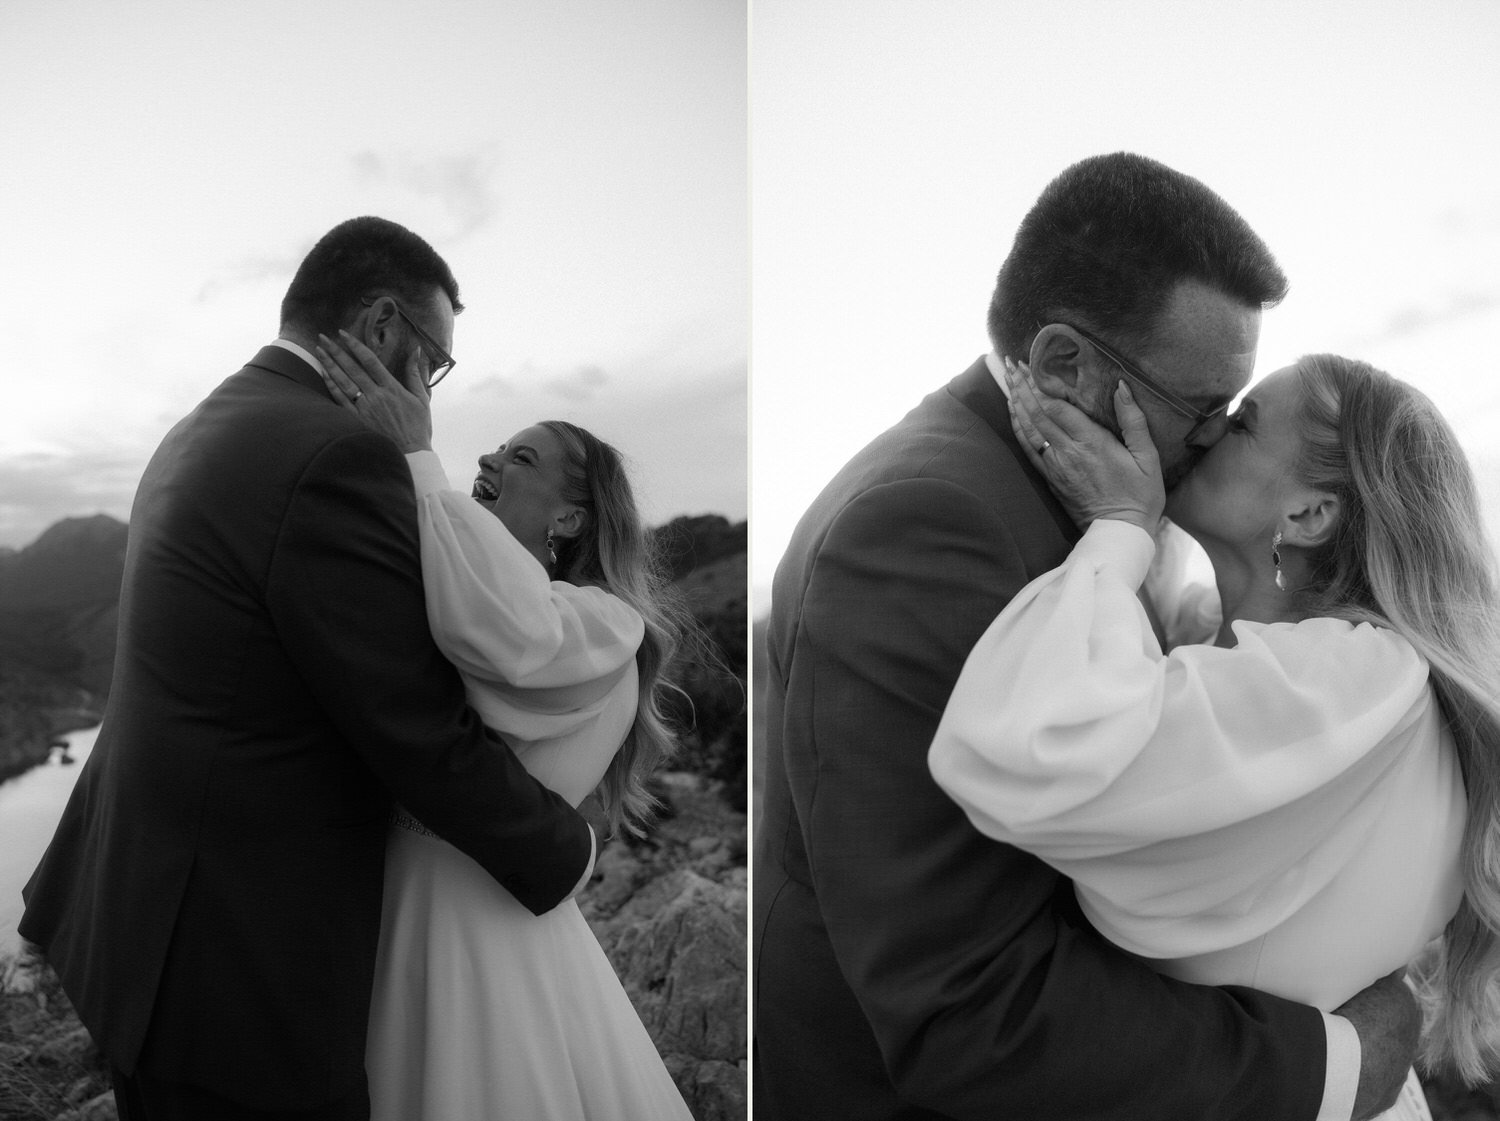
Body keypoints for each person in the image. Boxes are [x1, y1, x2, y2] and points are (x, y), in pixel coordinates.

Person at [753, 153, 1418, 1120]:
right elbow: (969, 1006)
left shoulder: (1060, 499)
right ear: (1066, 363)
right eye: (1204, 409)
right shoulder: (932, 523)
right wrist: (1337, 1066)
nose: (1213, 438)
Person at [18, 217, 596, 1121]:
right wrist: (566, 847)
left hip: (140, 920)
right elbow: (410, 721)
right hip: (236, 968)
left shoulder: (207, 421)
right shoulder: (337, 454)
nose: (430, 388)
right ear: (380, 326)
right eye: (434, 360)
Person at [930, 353, 1500, 1120]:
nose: (1205, 433)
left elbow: (1034, 750)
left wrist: (1119, 527)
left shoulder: (1356, 677)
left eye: (1243, 425)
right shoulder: (1335, 679)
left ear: (1308, 515)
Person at [313, 334, 694, 1120]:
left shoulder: (601, 624)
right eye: (498, 447)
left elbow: (502, 630)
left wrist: (417, 455)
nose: (490, 459)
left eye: (522, 459)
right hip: (400, 897)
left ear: (570, 516)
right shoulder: (477, 592)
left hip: (470, 917)